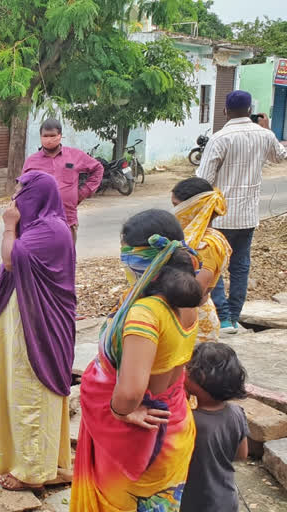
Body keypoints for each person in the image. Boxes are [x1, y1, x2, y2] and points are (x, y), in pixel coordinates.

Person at [71, 209, 202, 510]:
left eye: (125, 252)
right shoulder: (187, 300)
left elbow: (131, 391)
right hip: (175, 423)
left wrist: (118, 412)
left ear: (140, 257)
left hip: (140, 441)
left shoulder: (145, 314)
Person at [0, 171, 77, 490]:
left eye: (21, 192)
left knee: (30, 391)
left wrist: (8, 227)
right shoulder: (40, 226)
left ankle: (32, 471)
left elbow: (10, 260)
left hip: (37, 327)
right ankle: (39, 461)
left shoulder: (49, 229)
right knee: (17, 388)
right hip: (26, 320)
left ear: (37, 196)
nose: (15, 199)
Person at [196, 90, 287, 333]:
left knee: (213, 264)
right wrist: (268, 130)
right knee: (240, 266)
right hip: (247, 216)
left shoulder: (219, 138)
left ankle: (223, 317)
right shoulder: (264, 136)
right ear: (250, 110)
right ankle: (233, 317)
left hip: (219, 216)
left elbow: (203, 179)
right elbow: (280, 157)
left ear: (225, 111)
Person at [181, 342, 249, 512]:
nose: (183, 372)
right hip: (226, 498)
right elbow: (242, 455)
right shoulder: (237, 412)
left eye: (187, 368)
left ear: (201, 378)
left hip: (195, 502)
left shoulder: (190, 421)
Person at [21, 118, 103, 243]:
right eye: (45, 136)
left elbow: (98, 168)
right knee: (43, 260)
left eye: (52, 135)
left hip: (67, 220)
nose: (49, 139)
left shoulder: (74, 155)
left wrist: (82, 192)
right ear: (40, 136)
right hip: (39, 222)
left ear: (60, 136)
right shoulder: (31, 162)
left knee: (67, 259)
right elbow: (22, 188)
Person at [171, 177, 232, 342]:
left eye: (177, 206)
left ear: (194, 208)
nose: (174, 213)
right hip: (184, 318)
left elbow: (195, 293)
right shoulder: (192, 239)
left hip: (195, 324)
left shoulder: (207, 245)